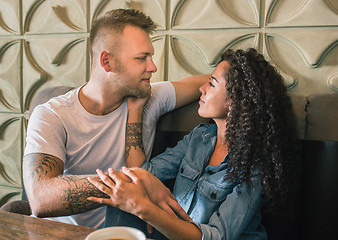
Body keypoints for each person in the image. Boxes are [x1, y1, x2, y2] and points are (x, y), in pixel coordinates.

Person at [20, 8, 208, 229]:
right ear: (107, 62)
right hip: (56, 234)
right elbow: (40, 198)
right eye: (141, 58)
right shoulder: (51, 115)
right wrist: (137, 179)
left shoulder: (148, 96)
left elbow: (211, 81)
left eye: (151, 56)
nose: (152, 67)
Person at [87, 48, 299, 239]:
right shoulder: (200, 138)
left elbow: (217, 236)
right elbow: (142, 172)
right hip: (178, 233)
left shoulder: (253, 163)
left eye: (212, 83)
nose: (201, 88)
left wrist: (143, 209)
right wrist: (135, 110)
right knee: (120, 199)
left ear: (236, 100)